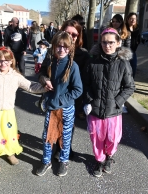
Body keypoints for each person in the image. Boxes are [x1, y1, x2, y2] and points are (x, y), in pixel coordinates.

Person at [84, 28, 135, 177]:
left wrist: (118, 102)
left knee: (112, 138)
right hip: (96, 109)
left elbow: (130, 86)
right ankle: (99, 160)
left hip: (113, 110)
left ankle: (109, 156)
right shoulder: (92, 62)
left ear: (118, 43)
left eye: (111, 42)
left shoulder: (123, 63)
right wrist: (90, 101)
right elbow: (86, 84)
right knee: (97, 137)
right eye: (104, 42)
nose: (107, 45)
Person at [39, 20, 90, 160]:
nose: (71, 36)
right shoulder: (53, 52)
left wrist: (84, 102)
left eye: (74, 34)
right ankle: (50, 156)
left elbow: (83, 83)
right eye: (68, 32)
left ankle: (63, 155)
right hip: (53, 98)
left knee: (66, 133)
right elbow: (43, 71)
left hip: (70, 100)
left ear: (78, 36)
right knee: (49, 132)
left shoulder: (83, 55)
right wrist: (44, 80)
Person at [36, 31, 83, 177]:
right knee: (47, 136)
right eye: (58, 46)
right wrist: (45, 80)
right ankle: (46, 161)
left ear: (70, 48)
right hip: (51, 108)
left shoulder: (73, 66)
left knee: (65, 137)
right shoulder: (50, 62)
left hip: (66, 108)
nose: (61, 49)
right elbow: (42, 74)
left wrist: (60, 101)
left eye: (65, 47)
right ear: (54, 47)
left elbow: (78, 90)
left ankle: (63, 161)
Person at [125, 12, 140, 78]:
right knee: (125, 69)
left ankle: (131, 83)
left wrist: (137, 43)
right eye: (131, 18)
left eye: (134, 19)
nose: (133, 20)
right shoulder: (124, 28)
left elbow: (138, 38)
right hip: (124, 52)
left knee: (133, 68)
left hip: (133, 52)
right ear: (128, 19)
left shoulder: (137, 28)